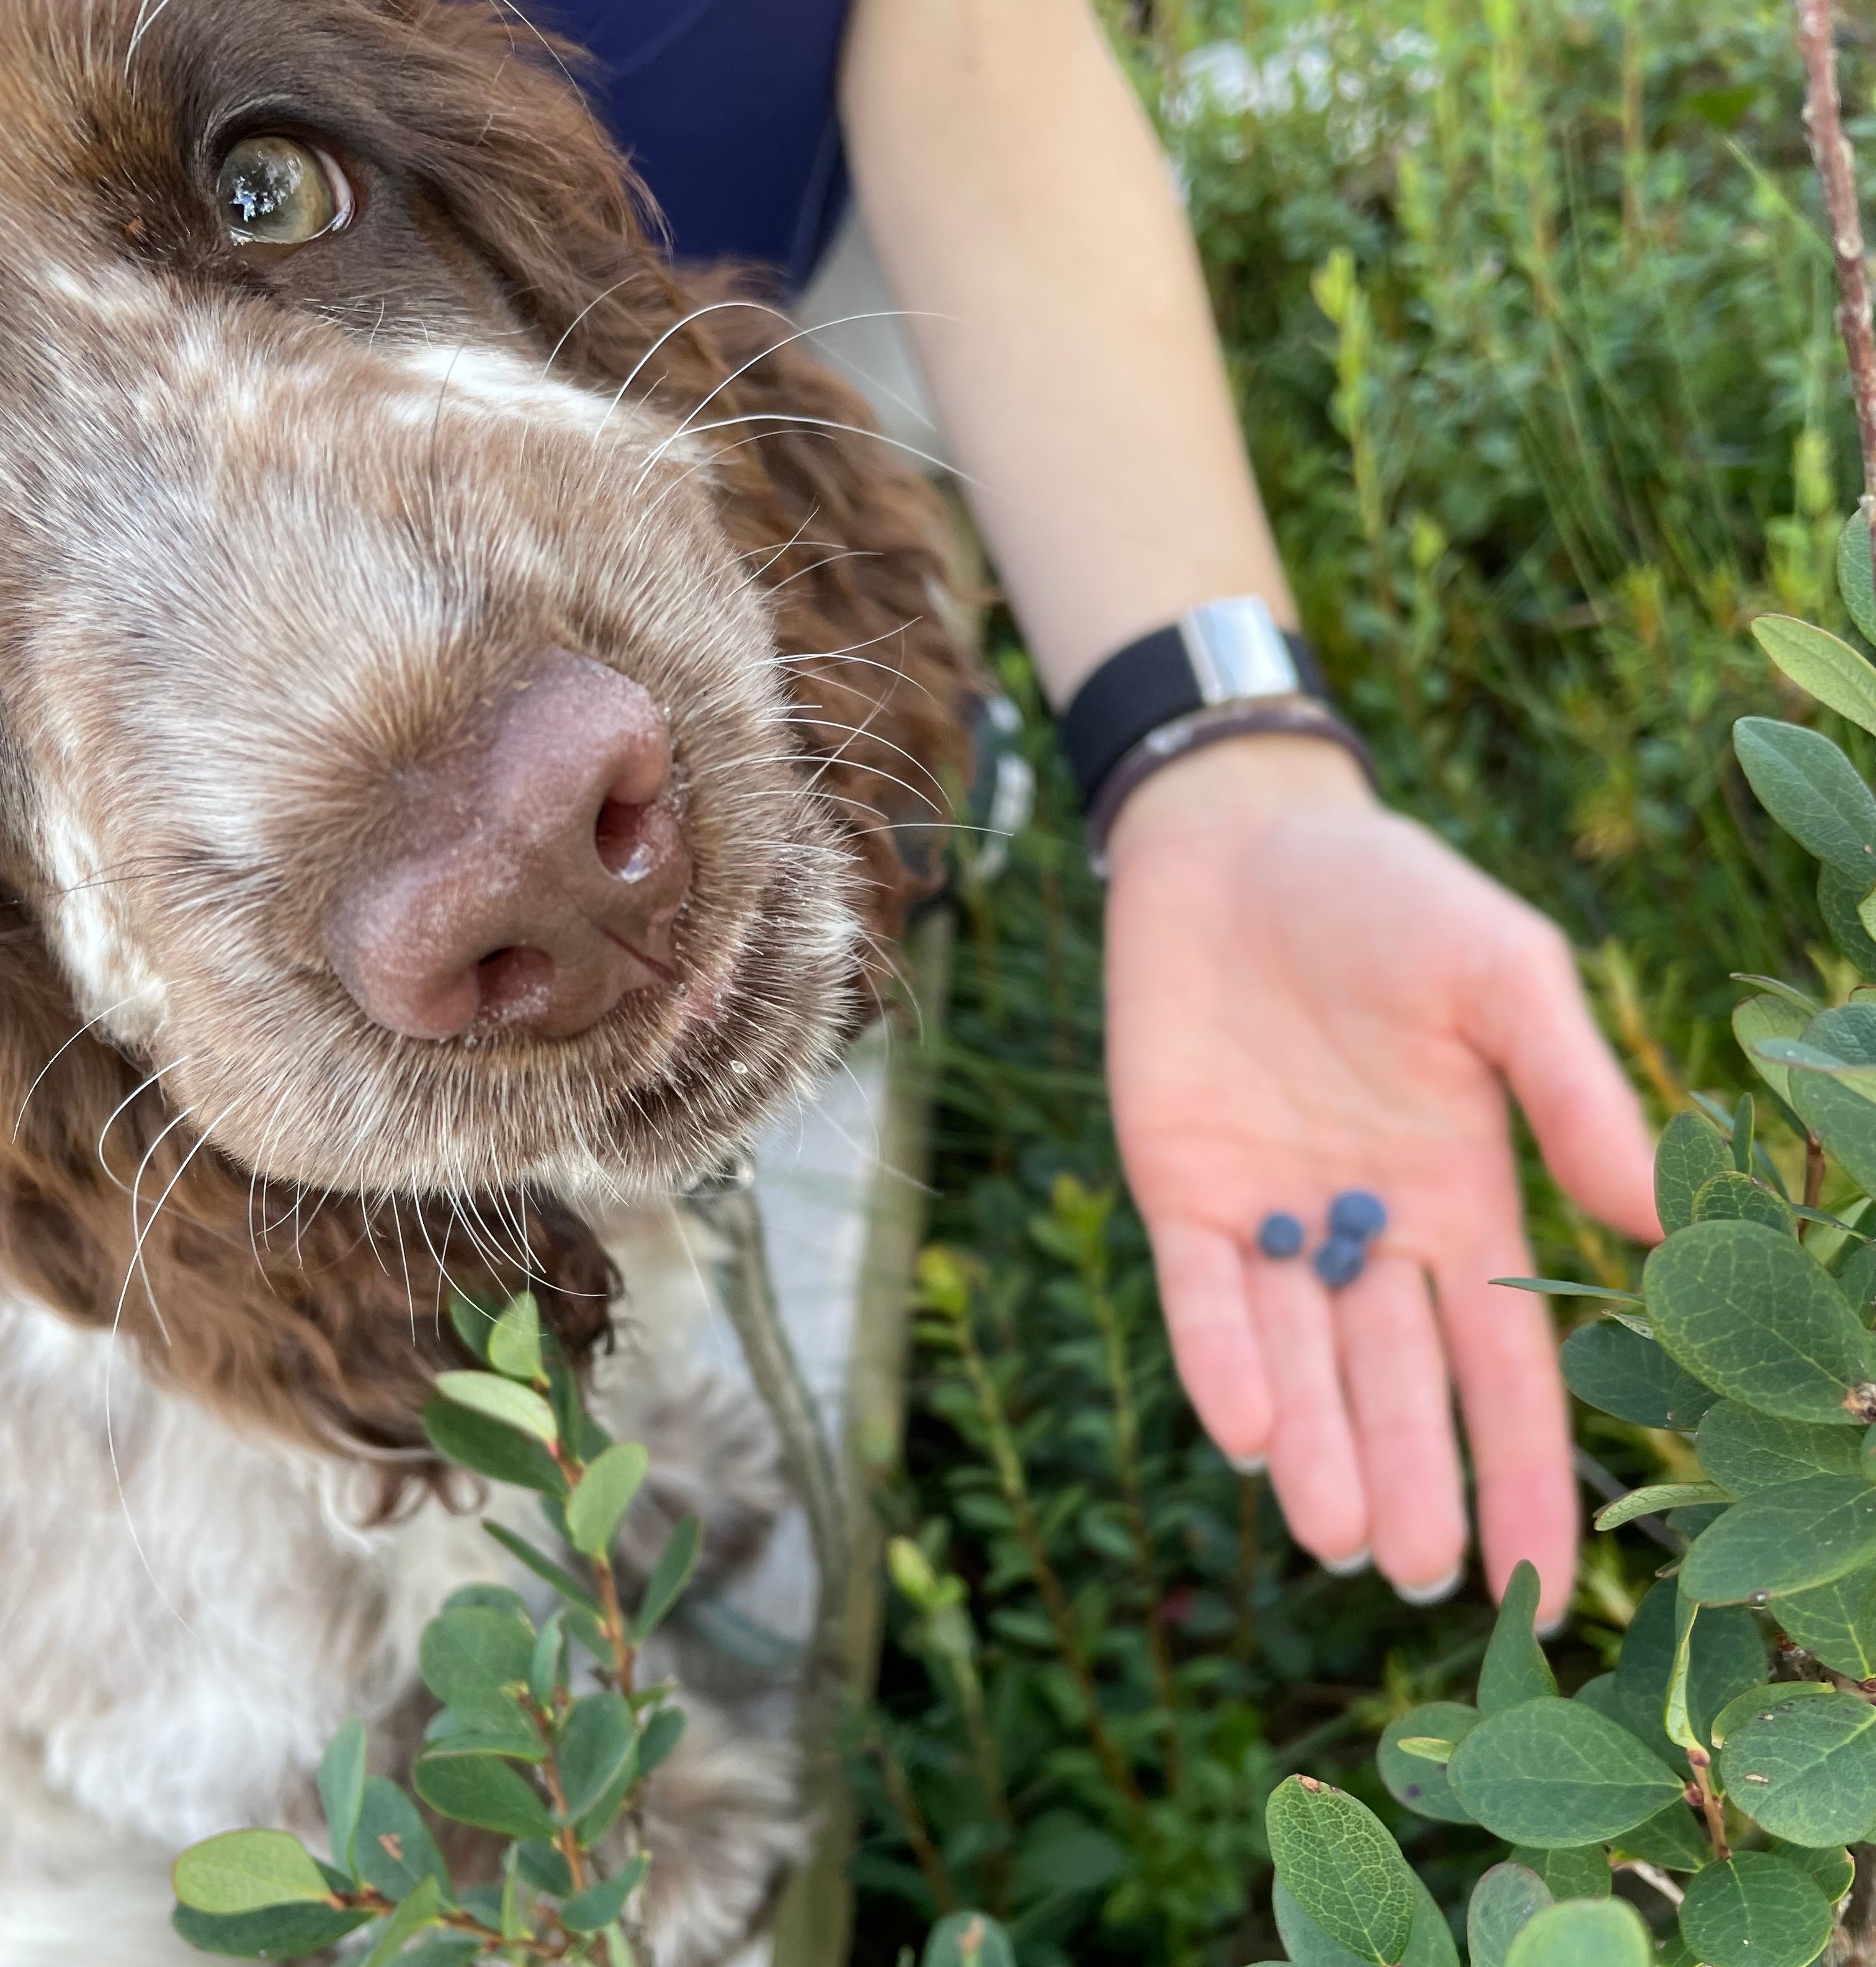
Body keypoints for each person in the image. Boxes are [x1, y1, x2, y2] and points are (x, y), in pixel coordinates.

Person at [550, 0, 1661, 1629]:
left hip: (773, 290)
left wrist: (1217, 751)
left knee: (852, 755)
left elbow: (972, 39)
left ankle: (929, 817)